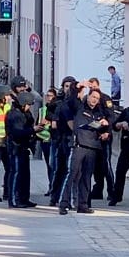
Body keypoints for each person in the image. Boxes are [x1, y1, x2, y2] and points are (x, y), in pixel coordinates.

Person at [64, 85, 110, 215]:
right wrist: (77, 86)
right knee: (72, 175)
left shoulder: (98, 114)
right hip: (79, 146)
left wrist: (105, 132)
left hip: (93, 148)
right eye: (93, 97)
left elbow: (99, 127)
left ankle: (83, 205)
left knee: (86, 178)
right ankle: (64, 203)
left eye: (97, 98)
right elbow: (72, 99)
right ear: (88, 96)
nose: (95, 100)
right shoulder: (80, 107)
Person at [84, 78, 117, 203]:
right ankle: (98, 190)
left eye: (94, 86)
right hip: (93, 136)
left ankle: (112, 191)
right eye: (90, 87)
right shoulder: (87, 99)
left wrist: (107, 132)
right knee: (96, 165)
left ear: (98, 86)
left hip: (104, 135)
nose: (92, 89)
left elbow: (111, 117)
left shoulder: (105, 99)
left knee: (106, 164)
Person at [48, 77, 79, 208]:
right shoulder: (60, 103)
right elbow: (52, 118)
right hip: (61, 139)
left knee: (68, 170)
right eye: (66, 86)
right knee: (60, 170)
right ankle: (56, 197)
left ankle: (64, 198)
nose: (68, 89)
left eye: (70, 86)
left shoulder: (75, 103)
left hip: (68, 139)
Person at [5, 91, 39, 208]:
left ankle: (24, 198)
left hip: (24, 147)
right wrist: (33, 130)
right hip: (16, 147)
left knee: (25, 174)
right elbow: (17, 133)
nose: (29, 107)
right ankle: (13, 199)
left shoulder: (24, 113)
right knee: (16, 173)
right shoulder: (14, 115)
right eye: (28, 104)